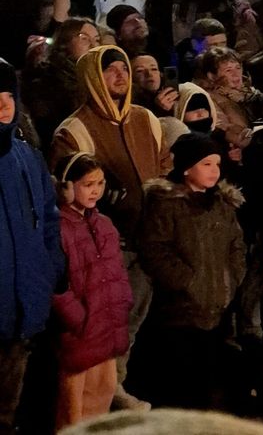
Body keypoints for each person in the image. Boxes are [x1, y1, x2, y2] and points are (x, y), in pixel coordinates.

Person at [51, 45, 171, 411]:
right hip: (106, 245)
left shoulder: (146, 119)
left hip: (148, 236)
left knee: (135, 319)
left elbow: (165, 166)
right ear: (92, 78)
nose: (120, 75)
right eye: (110, 70)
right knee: (106, 323)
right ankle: (104, 396)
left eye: (123, 68)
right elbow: (66, 190)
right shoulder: (74, 130)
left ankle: (121, 386)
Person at [136, 132, 246, 410]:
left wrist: (232, 277)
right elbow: (155, 249)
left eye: (217, 164)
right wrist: (188, 281)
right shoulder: (167, 204)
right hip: (180, 312)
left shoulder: (221, 204)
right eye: (206, 164)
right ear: (186, 168)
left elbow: (236, 244)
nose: (214, 170)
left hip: (216, 307)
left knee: (209, 380)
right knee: (182, 384)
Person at [0, 57, 66, 434]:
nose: (3, 105)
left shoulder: (26, 156)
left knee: (8, 412)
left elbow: (49, 219)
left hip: (22, 310)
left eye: (9, 96)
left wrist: (48, 269)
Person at [52, 153, 132, 428]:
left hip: (105, 327)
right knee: (73, 409)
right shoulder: (59, 228)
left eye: (100, 183)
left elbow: (117, 272)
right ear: (66, 186)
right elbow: (56, 281)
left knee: (101, 397)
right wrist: (78, 318)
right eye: (88, 184)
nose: (96, 190)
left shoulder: (104, 225)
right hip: (80, 333)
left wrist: (122, 304)